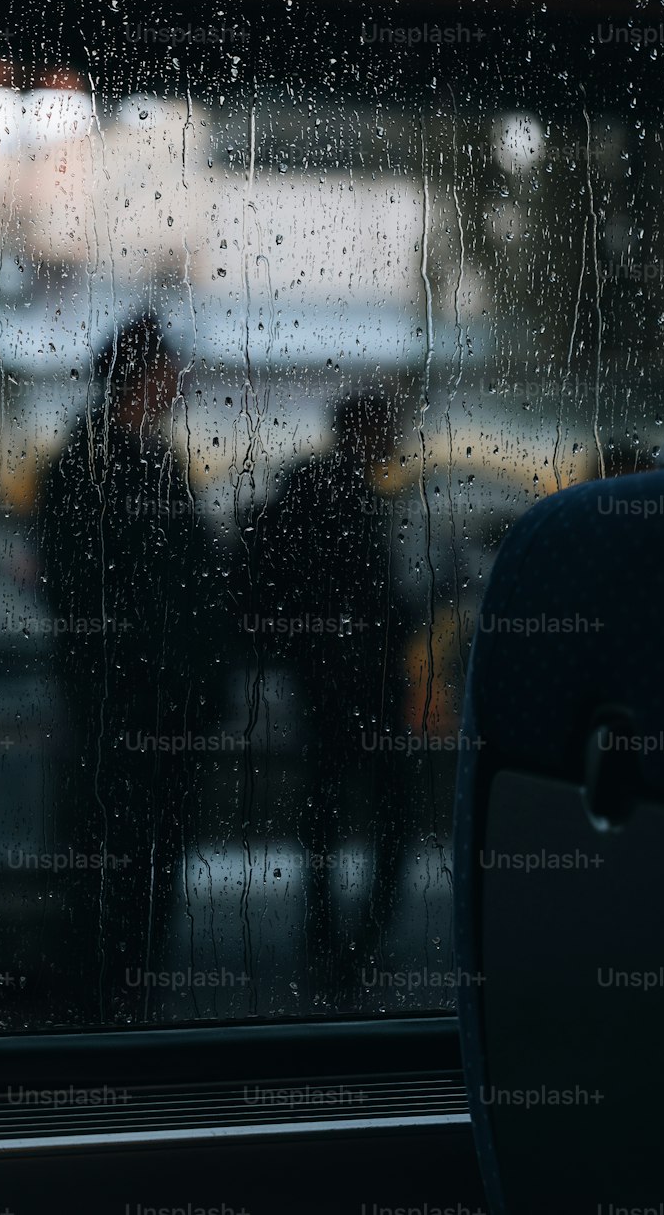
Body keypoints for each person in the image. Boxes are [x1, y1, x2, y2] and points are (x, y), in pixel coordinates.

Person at [35, 315, 214, 1020]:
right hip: (137, 695)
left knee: (133, 843)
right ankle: (112, 988)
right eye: (170, 366)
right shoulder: (109, 463)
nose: (181, 381)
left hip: (138, 693)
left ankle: (115, 984)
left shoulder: (109, 457)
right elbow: (138, 586)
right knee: (131, 843)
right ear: (142, 375)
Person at [255, 390, 413, 1006]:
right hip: (355, 677)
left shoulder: (312, 486)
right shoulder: (342, 494)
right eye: (386, 427)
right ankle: (357, 940)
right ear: (363, 432)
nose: (394, 440)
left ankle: (333, 939)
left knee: (328, 806)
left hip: (326, 675)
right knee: (385, 809)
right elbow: (358, 591)